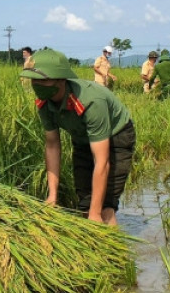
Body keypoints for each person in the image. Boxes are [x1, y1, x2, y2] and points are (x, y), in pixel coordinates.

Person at [20, 48, 136, 226]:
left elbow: (102, 161)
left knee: (104, 207)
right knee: (84, 204)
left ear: (60, 80)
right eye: (34, 80)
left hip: (116, 136)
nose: (37, 84)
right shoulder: (44, 103)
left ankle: (112, 250)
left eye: (43, 80)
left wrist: (95, 213)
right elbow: (52, 145)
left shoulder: (90, 102)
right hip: (82, 138)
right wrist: (52, 196)